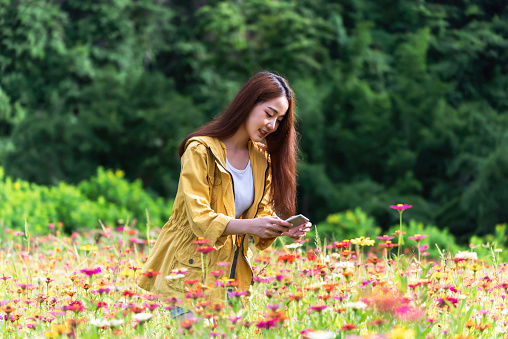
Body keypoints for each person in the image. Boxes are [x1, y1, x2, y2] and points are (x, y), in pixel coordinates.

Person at [138, 71, 312, 313]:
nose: (272, 126)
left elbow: (260, 213)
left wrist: (281, 227)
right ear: (248, 104)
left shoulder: (262, 160)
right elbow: (199, 218)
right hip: (190, 270)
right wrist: (252, 226)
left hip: (233, 275)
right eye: (269, 114)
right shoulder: (199, 149)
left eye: (279, 120)